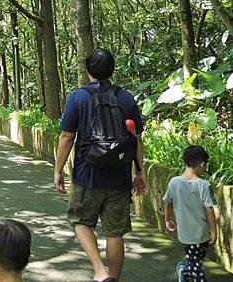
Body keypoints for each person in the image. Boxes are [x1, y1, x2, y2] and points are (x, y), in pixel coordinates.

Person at [54, 48, 147, 282]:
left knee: (80, 221)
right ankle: (113, 277)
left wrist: (58, 170)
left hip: (87, 174)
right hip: (119, 174)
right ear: (112, 70)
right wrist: (140, 172)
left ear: (88, 70)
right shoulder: (126, 97)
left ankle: (99, 270)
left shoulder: (78, 97)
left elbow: (67, 137)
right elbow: (136, 139)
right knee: (115, 232)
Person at [163, 145, 217, 282]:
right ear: (202, 164)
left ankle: (184, 271)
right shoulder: (204, 185)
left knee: (196, 259)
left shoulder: (174, 182)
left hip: (197, 234)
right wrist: (214, 230)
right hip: (194, 233)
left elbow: (168, 202)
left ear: (185, 162)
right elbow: (209, 209)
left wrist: (168, 219)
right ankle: (189, 273)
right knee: (197, 267)